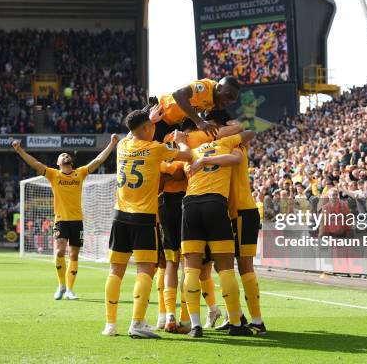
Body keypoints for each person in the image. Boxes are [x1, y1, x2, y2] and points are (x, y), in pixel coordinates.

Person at [103, 110, 192, 339]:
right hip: (143, 218)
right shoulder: (155, 149)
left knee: (115, 272)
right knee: (145, 270)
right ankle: (137, 323)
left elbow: (132, 133)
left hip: (119, 215)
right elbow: (186, 156)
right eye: (152, 127)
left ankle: (110, 325)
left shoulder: (122, 145)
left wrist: (148, 120)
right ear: (146, 129)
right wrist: (180, 142)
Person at [12, 135, 118, 300]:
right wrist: (20, 151)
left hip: (77, 221)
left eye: (67, 155)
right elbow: (35, 163)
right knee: (60, 251)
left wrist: (112, 144)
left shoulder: (80, 173)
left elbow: (97, 160)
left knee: (74, 255)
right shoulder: (54, 175)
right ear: (58, 163)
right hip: (61, 220)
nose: (65, 155)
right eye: (62, 155)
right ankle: (61, 285)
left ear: (71, 162)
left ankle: (69, 289)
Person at [182, 129, 255, 337]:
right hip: (215, 203)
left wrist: (180, 142)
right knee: (225, 268)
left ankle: (195, 326)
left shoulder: (194, 150)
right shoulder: (226, 142)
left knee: (191, 269)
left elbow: (181, 154)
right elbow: (249, 132)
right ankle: (235, 323)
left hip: (190, 205)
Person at [151, 76, 241, 142]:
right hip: (159, 114)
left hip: (173, 123)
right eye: (228, 96)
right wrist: (198, 121)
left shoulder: (215, 101)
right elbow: (178, 94)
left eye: (232, 100)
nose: (228, 102)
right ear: (219, 88)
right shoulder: (204, 87)